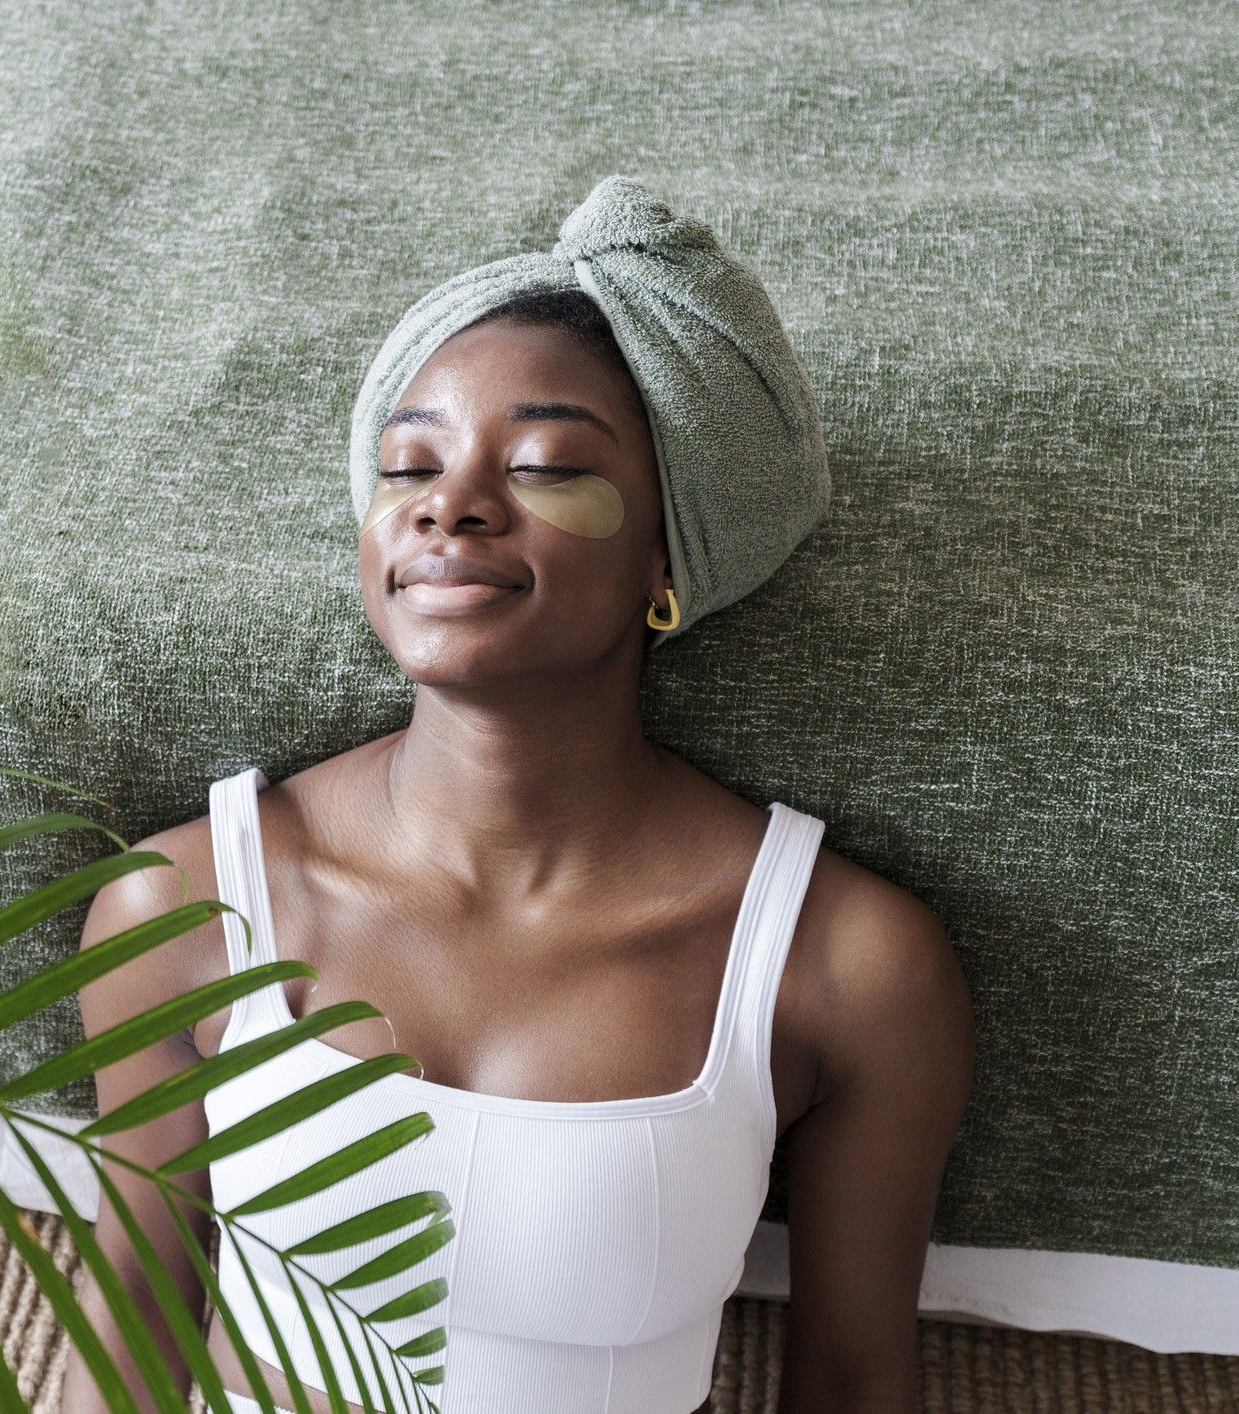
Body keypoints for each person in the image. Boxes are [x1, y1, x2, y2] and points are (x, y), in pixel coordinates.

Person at [63, 178, 974, 1414]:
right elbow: (133, 1300)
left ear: (669, 556)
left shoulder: (847, 965)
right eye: (408, 464)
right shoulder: (181, 903)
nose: (452, 502)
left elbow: (858, 1377)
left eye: (543, 463)